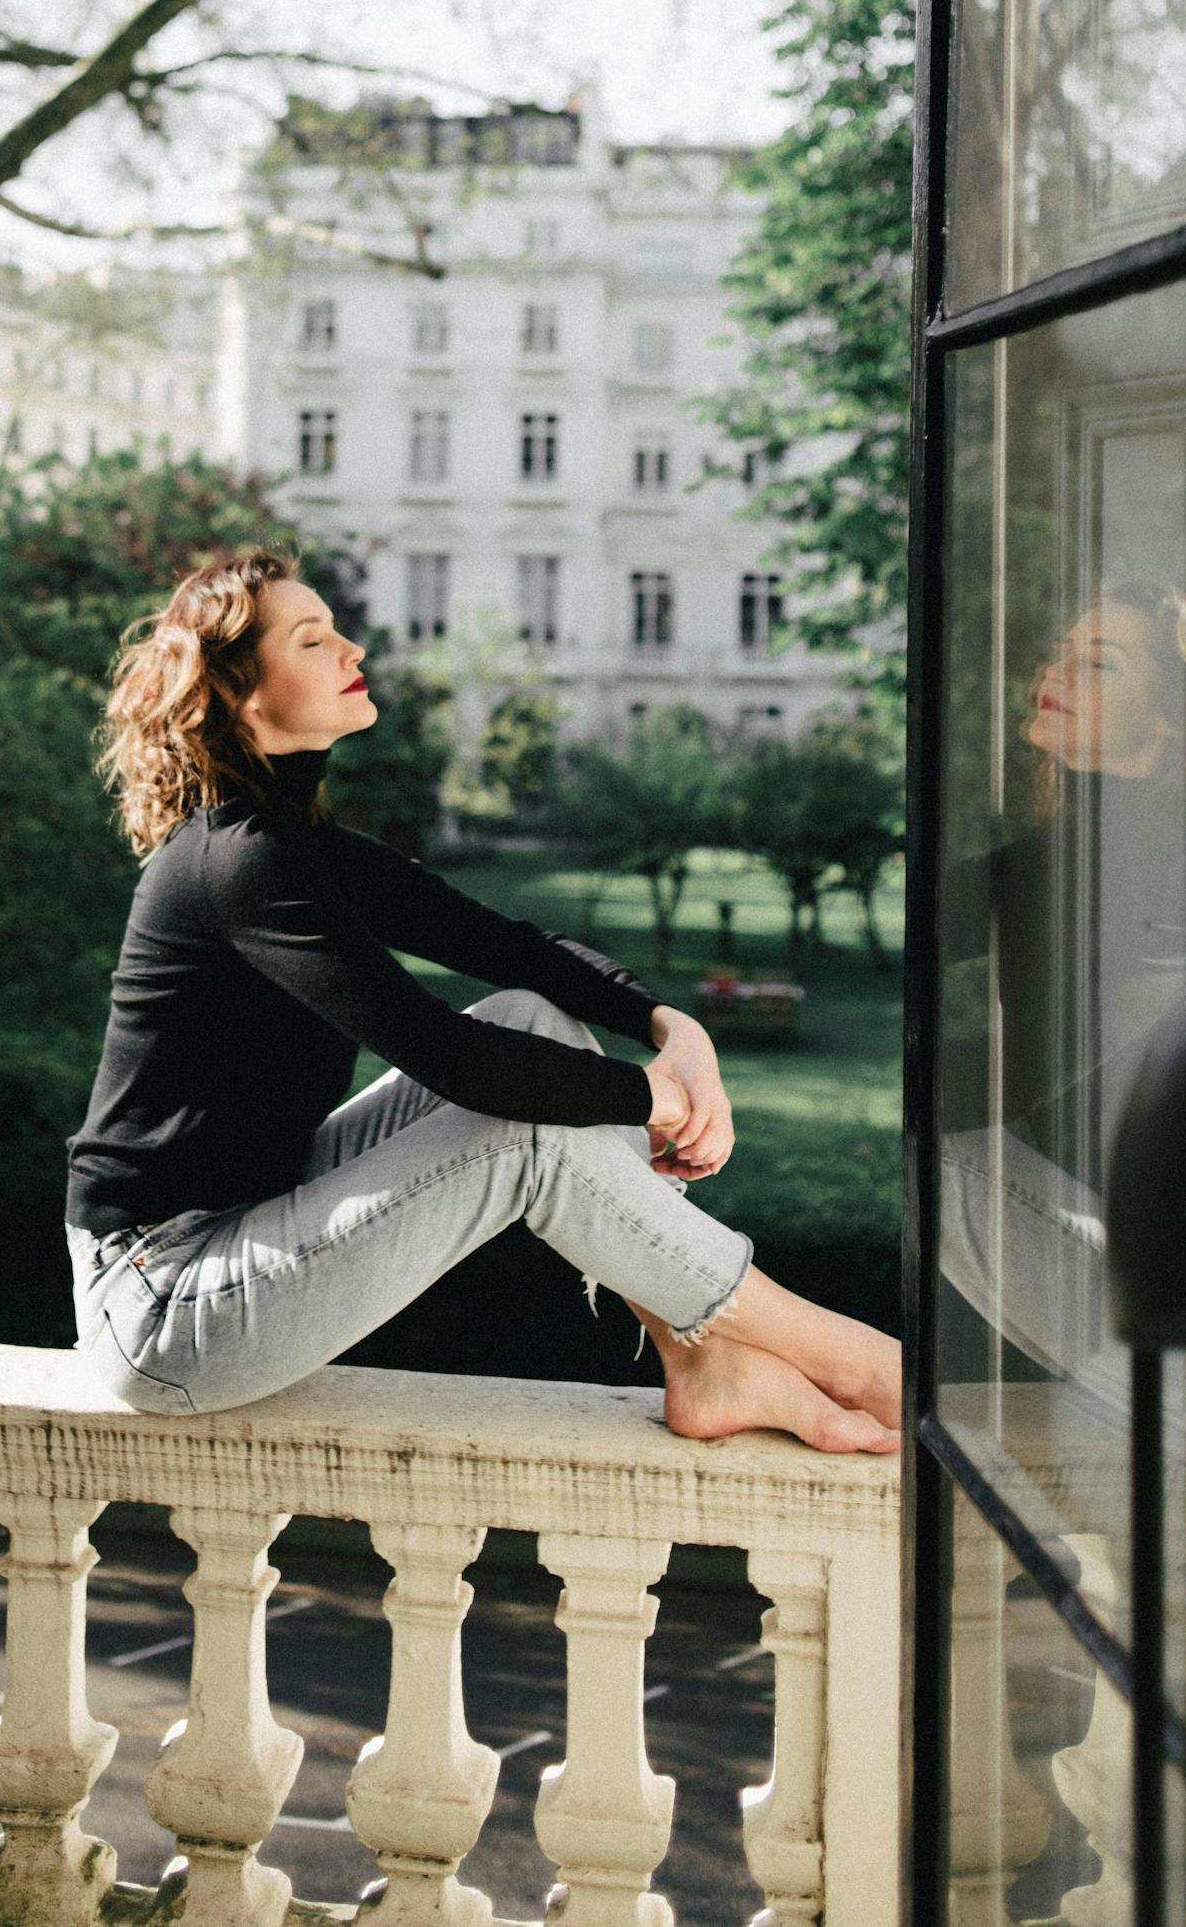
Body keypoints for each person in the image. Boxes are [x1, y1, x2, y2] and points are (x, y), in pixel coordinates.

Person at [66, 549, 901, 1451]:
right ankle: (851, 1358)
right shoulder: (239, 862)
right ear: (242, 697)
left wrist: (672, 1026)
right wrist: (654, 1097)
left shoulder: (299, 844)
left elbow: (511, 949)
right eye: (313, 639)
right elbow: (449, 1057)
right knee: (524, 1129)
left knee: (530, 1017)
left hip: (258, 1210)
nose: (352, 646)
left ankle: (696, 1352)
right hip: (165, 1300)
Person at [937, 578, 1186, 1422]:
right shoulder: (1068, 850)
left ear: (1169, 717)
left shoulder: (1138, 857)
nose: (1058, 670)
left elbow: (1037, 1069)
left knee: (925, 1149)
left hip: (1164, 1284)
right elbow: (933, 923)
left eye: (1102, 661)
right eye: (1062, 650)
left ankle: (1164, 1395)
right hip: (1135, 1244)